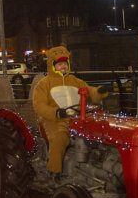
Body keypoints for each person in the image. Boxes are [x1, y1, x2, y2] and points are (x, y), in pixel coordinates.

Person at [33, 45, 109, 179]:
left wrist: (99, 92)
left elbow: (89, 90)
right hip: (57, 121)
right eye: (59, 64)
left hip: (78, 119)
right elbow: (39, 105)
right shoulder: (44, 84)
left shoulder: (75, 81)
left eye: (64, 63)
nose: (63, 66)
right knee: (59, 140)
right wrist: (56, 112)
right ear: (52, 65)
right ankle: (54, 171)